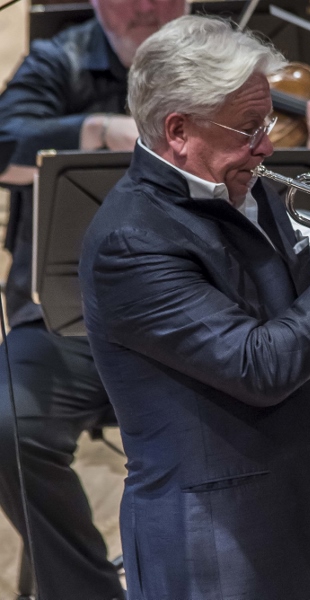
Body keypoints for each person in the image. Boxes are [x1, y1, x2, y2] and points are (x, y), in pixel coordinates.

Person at [79, 15, 310, 600]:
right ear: (178, 130)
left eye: (266, 121)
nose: (267, 145)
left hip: (286, 506)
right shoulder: (131, 242)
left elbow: (306, 297)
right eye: (249, 127)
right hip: (212, 545)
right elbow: (258, 367)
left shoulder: (242, 184)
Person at [0, 1, 187, 599]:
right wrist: (99, 130)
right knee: (6, 427)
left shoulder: (215, 63)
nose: (145, 8)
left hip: (194, 319)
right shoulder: (61, 60)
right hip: (66, 321)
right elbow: (4, 143)